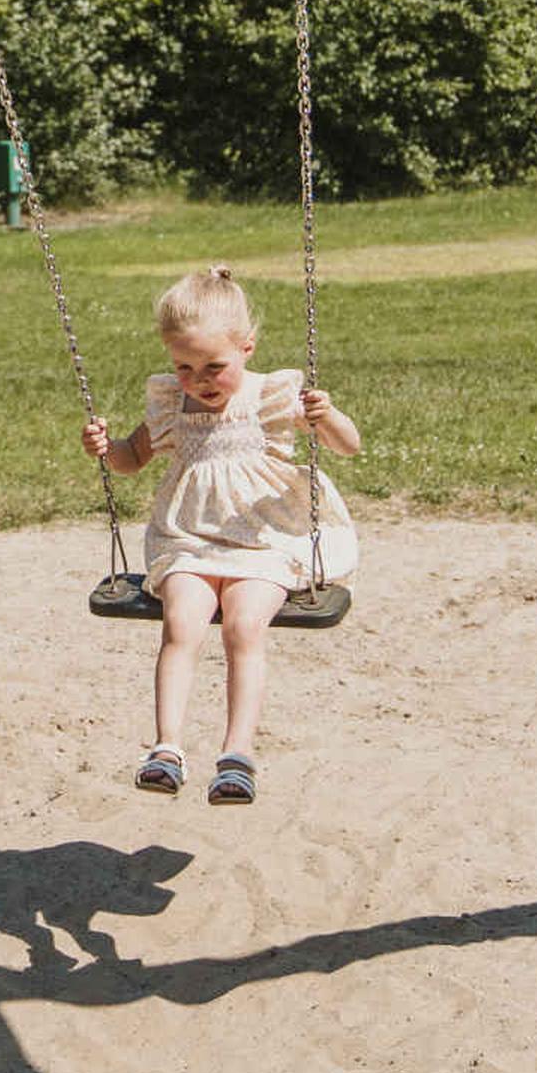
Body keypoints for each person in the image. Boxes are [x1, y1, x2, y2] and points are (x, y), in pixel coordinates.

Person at [79, 265, 362, 807]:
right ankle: (166, 748)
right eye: (184, 367)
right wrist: (105, 447)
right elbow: (132, 460)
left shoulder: (272, 397)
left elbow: (348, 446)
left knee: (243, 626)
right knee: (181, 622)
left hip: (265, 540)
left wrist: (329, 417)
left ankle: (237, 756)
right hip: (189, 540)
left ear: (247, 348)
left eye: (214, 366)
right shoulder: (172, 405)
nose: (199, 380)